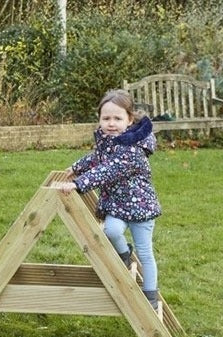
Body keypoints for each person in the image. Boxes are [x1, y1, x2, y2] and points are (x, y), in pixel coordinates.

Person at [58, 89, 162, 309]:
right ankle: (124, 253)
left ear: (129, 120)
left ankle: (150, 295)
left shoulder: (132, 148)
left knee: (145, 252)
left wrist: (78, 184)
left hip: (142, 208)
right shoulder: (108, 141)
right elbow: (97, 158)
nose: (111, 123)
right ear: (99, 119)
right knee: (111, 231)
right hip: (118, 205)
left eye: (117, 118)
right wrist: (76, 167)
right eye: (106, 118)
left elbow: (107, 170)